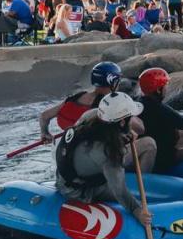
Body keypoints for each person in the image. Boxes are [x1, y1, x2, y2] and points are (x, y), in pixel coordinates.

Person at [54, 91, 154, 227]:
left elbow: (89, 141)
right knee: (139, 203)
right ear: (123, 122)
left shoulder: (90, 115)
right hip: (79, 192)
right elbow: (119, 191)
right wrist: (137, 211)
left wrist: (122, 135)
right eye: (130, 118)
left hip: (62, 177)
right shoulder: (109, 152)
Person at [136, 68, 183, 173]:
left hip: (158, 149)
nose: (167, 88)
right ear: (158, 89)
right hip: (165, 158)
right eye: (165, 85)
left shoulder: (140, 103)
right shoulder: (160, 109)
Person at [39, 61, 122, 140]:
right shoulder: (109, 103)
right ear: (113, 82)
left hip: (69, 140)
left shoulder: (76, 97)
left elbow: (44, 116)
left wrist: (45, 133)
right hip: (92, 142)